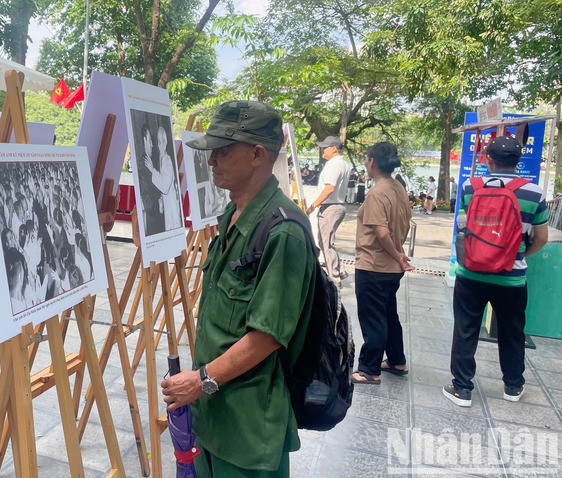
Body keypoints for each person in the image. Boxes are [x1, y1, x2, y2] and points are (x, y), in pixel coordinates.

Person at [161, 101, 317, 477]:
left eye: (223, 151)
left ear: (257, 154)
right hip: (212, 411)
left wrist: (200, 380)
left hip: (248, 425)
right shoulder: (232, 215)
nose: (212, 160)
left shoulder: (284, 232)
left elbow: (267, 336)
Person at [444, 136, 549, 407]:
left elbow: (466, 228)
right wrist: (518, 255)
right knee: (512, 331)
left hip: (471, 274)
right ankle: (513, 387)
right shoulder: (534, 193)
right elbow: (541, 238)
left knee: (465, 329)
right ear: (518, 161)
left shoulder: (470, 186)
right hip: (512, 279)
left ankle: (462, 389)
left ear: (488, 159)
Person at [351, 142, 416, 384]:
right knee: (388, 314)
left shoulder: (377, 193)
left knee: (373, 318)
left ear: (372, 162)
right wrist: (399, 253)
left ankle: (369, 369)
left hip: (374, 265)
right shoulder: (398, 187)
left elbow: (381, 231)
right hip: (391, 269)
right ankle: (397, 360)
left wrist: (396, 254)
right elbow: (405, 223)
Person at [306, 135, 351, 287]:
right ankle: (338, 271)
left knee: (327, 243)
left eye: (325, 147)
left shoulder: (334, 165)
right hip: (336, 206)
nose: (322, 150)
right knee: (326, 241)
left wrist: (313, 205)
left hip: (331, 206)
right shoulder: (342, 164)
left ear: (333, 148)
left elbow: (329, 188)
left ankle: (334, 278)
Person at [143, 125, 182, 231]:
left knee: (172, 227)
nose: (159, 145)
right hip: (165, 205)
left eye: (161, 142)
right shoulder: (160, 158)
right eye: (158, 142)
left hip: (171, 205)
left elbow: (165, 187)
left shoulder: (167, 161)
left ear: (165, 143)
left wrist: (152, 170)